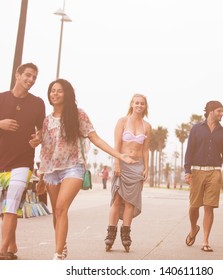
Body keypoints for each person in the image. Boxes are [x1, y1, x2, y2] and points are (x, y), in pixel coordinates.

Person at [36, 79, 137, 260]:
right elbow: (45, 150)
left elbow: (95, 138)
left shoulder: (78, 115)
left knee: (61, 207)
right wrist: (41, 175)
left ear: (67, 93)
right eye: (52, 91)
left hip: (73, 168)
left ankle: (58, 255)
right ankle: (62, 245)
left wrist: (119, 155)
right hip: (51, 171)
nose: (55, 94)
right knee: (57, 212)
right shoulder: (46, 120)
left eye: (59, 91)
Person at [0, 63, 45, 260]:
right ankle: (12, 246)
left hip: (23, 161)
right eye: (28, 75)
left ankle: (2, 250)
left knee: (12, 202)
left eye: (34, 77)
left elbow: (41, 131)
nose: (31, 80)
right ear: (17, 75)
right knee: (4, 207)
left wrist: (38, 138)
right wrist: (0, 123)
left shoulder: (38, 103)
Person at [104, 93, 151, 252]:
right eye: (136, 103)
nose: (139, 106)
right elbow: (116, 144)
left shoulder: (147, 126)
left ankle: (126, 233)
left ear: (145, 106)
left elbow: (145, 150)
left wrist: (146, 168)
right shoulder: (122, 121)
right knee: (117, 199)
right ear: (131, 104)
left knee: (131, 202)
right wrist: (116, 162)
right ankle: (111, 232)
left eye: (142, 104)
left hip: (137, 166)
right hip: (122, 163)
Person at [184, 100, 223, 252]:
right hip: (197, 172)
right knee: (194, 207)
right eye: (219, 111)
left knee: (209, 207)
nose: (221, 114)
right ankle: (193, 229)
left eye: (222, 111)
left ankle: (205, 240)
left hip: (215, 172)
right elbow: (189, 150)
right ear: (210, 111)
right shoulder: (196, 129)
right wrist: (187, 171)